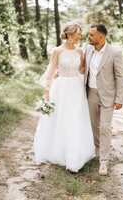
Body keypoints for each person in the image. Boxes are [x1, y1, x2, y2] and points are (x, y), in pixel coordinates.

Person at [34, 22, 95, 172]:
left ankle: (73, 156)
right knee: (61, 118)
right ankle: (59, 150)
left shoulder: (80, 52)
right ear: (69, 34)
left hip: (76, 88)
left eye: (81, 34)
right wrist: (47, 91)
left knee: (75, 118)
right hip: (61, 88)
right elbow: (50, 71)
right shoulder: (57, 51)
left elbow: (81, 70)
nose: (80, 37)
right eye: (78, 34)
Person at [84, 24, 123, 175]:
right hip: (91, 94)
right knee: (93, 126)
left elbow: (120, 77)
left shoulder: (115, 52)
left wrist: (120, 98)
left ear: (100, 37)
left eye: (91, 35)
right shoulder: (88, 49)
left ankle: (104, 162)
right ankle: (97, 150)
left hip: (108, 96)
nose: (88, 37)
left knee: (105, 128)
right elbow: (82, 69)